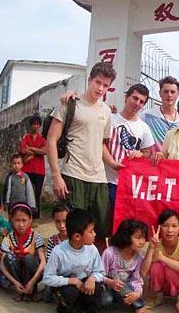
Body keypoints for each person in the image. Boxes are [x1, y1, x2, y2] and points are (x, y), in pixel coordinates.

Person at [47, 62, 114, 252]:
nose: (101, 88)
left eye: (106, 85)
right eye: (98, 82)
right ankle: (71, 275)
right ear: (90, 80)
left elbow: (101, 143)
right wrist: (57, 176)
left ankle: (98, 275)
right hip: (73, 175)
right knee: (74, 233)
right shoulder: (70, 104)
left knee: (100, 233)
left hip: (99, 178)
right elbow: (51, 140)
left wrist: (112, 163)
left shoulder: (106, 111)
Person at [43, 208, 105, 313]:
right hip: (66, 284)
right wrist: (71, 281)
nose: (95, 234)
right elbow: (47, 278)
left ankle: (88, 311)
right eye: (91, 231)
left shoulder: (92, 249)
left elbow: (100, 272)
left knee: (97, 288)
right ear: (77, 236)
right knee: (69, 292)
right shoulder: (59, 251)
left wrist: (92, 278)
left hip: (84, 282)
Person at [103, 83, 154, 209]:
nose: (137, 103)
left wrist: (141, 154)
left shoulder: (144, 128)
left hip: (130, 184)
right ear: (127, 96)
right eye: (135, 98)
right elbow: (101, 144)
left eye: (141, 101)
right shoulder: (110, 118)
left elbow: (148, 153)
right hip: (106, 180)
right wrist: (111, 163)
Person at [141, 209, 179, 308]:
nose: (170, 230)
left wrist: (162, 258)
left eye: (174, 226)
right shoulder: (155, 245)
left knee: (171, 269)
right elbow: (143, 272)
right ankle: (158, 296)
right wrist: (151, 248)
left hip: (178, 284)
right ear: (159, 228)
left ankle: (177, 296)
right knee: (156, 267)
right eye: (165, 225)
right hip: (160, 285)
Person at [100, 219, 148, 313]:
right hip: (108, 288)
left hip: (125, 290)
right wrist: (110, 282)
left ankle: (138, 304)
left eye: (143, 238)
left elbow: (137, 279)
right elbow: (99, 274)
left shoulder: (139, 257)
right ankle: (135, 303)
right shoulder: (109, 253)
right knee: (106, 300)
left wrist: (137, 294)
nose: (142, 242)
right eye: (138, 238)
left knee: (123, 284)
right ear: (126, 237)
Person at [0, 203, 46, 302]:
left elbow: (43, 262)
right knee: (9, 257)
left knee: (29, 258)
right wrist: (15, 282)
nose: (21, 224)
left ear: (30, 219)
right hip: (17, 274)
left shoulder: (36, 236)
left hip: (33, 273)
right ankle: (20, 288)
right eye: (17, 220)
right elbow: (2, 264)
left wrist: (32, 282)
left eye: (24, 220)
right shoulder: (8, 239)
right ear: (11, 220)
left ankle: (30, 288)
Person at [141, 75, 179, 153]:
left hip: (174, 164)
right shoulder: (146, 116)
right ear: (160, 93)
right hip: (152, 163)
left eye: (172, 92)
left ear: (178, 94)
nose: (169, 95)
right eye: (166, 91)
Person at [18, 115, 47, 220]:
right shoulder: (26, 137)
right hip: (27, 169)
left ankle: (36, 215)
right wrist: (37, 151)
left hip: (39, 170)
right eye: (34, 124)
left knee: (37, 193)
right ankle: (26, 214)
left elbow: (46, 151)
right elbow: (22, 150)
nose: (35, 126)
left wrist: (31, 149)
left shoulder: (42, 139)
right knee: (27, 193)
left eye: (37, 124)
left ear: (39, 126)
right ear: (31, 125)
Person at [43, 204, 69, 302]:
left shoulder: (77, 239)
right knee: (47, 298)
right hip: (57, 274)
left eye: (65, 221)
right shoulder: (52, 240)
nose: (62, 226)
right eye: (58, 222)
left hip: (73, 274)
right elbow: (49, 262)